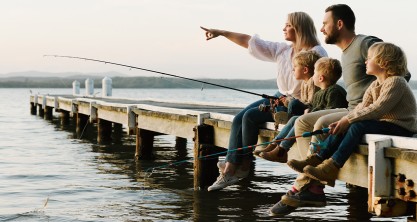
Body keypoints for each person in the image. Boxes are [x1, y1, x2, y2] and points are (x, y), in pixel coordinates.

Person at [270, 4, 411, 216]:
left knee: (321, 124)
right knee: (302, 122)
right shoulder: (345, 54)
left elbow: (401, 74)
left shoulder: (366, 43)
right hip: (357, 110)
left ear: (339, 24)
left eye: (325, 24)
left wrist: (382, 86)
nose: (321, 29)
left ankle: (310, 186)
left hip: (373, 115)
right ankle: (315, 161)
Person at [201, 11, 328, 192]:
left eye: (288, 25)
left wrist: (294, 101)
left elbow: (322, 85)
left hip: (298, 103)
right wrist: (221, 32)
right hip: (280, 96)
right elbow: (250, 42)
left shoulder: (317, 52)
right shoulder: (284, 50)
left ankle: (242, 165)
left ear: (299, 28)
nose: (283, 28)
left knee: (250, 117)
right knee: (238, 118)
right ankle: (231, 165)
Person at [287, 41, 417, 204]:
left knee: (357, 125)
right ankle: (317, 158)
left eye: (369, 58)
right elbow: (362, 107)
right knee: (348, 125)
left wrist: (348, 120)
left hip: (401, 127)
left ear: (383, 62)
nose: (365, 61)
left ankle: (332, 167)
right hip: (385, 124)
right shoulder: (375, 84)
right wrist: (342, 121)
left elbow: (378, 109)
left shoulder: (396, 82)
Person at [259, 56, 348, 162]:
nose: (312, 76)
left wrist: (310, 113)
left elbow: (332, 111)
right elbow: (314, 108)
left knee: (297, 119)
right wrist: (308, 110)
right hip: (315, 123)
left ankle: (281, 150)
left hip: (326, 127)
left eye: (314, 73)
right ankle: (276, 145)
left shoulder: (334, 91)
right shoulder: (319, 93)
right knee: (294, 119)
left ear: (321, 78)